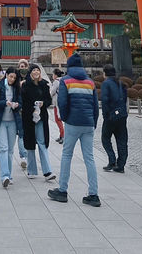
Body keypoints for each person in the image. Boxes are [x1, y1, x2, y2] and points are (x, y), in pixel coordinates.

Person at [48, 53, 99, 206]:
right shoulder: (90, 82)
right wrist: (93, 122)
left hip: (72, 122)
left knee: (67, 155)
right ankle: (94, 194)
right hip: (88, 123)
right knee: (89, 158)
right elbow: (95, 106)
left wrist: (65, 118)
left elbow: (62, 102)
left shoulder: (66, 81)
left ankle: (62, 190)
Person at [21, 63, 55, 182]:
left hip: (41, 117)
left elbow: (49, 100)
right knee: (30, 144)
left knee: (42, 142)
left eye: (37, 70)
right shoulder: (25, 86)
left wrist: (43, 104)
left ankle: (47, 171)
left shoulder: (44, 85)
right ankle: (32, 170)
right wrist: (32, 107)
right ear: (30, 73)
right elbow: (23, 102)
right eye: (34, 70)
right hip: (29, 117)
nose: (36, 72)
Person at [0, 66, 23, 187]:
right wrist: (5, 103)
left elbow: (21, 103)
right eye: (10, 76)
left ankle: (9, 175)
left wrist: (16, 105)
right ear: (6, 75)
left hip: (13, 121)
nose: (12, 79)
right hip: (1, 121)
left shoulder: (16, 88)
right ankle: (4, 175)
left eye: (14, 78)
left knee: (10, 150)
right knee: (3, 148)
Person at [100, 64, 128, 172]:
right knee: (122, 140)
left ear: (105, 73)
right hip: (122, 115)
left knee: (105, 138)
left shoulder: (106, 83)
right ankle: (121, 164)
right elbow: (124, 98)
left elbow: (105, 100)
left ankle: (112, 160)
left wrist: (105, 115)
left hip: (111, 115)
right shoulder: (120, 83)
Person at [50, 68, 64, 144]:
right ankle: (61, 135)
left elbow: (52, 92)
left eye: (53, 74)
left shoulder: (56, 82)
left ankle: (62, 135)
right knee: (59, 120)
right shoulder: (62, 80)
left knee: (57, 120)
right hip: (61, 102)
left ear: (55, 75)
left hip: (57, 103)